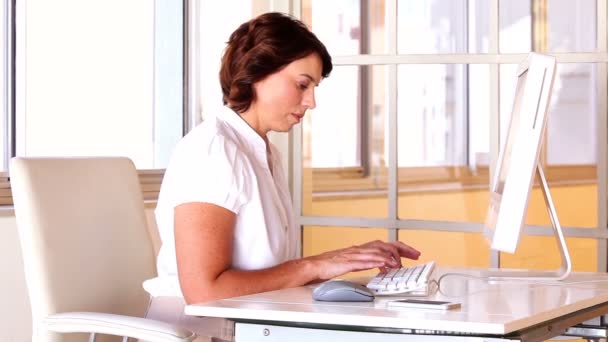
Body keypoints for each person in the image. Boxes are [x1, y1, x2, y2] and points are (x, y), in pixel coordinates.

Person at [143, 12, 420, 341]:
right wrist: (315, 266)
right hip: (200, 332)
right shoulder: (213, 151)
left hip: (252, 326)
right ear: (258, 71)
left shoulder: (262, 152)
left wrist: (342, 260)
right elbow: (204, 292)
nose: (311, 101)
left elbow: (269, 273)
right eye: (302, 84)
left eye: (314, 87)